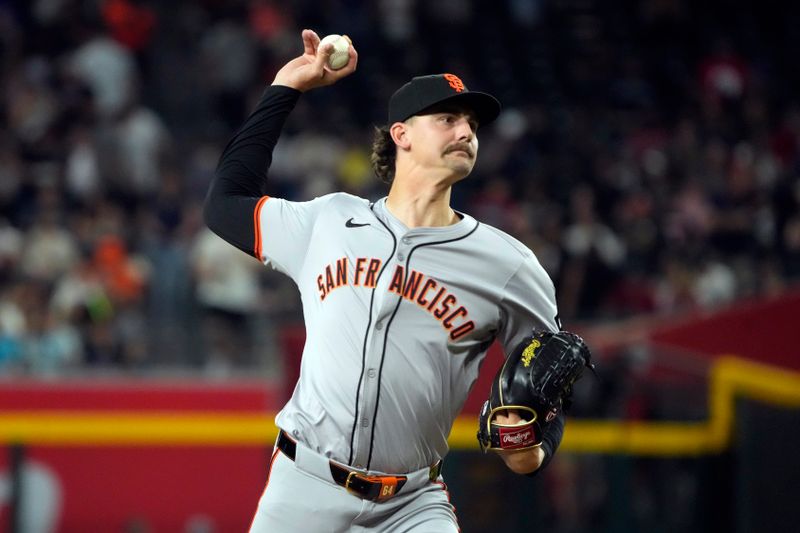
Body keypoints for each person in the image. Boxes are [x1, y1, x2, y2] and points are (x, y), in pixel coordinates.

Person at [204, 29, 566, 532]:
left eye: (471, 124)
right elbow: (224, 204)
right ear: (401, 135)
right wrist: (287, 85)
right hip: (303, 488)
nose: (465, 131)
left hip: (413, 505)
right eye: (447, 119)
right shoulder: (327, 221)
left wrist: (534, 446)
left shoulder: (508, 264)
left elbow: (545, 379)